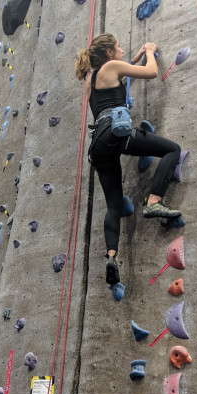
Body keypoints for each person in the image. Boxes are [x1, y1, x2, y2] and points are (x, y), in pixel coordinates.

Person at [75, 34, 182, 285]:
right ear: (110, 54)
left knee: (114, 206)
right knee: (172, 150)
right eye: (119, 47)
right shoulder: (112, 66)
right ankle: (154, 200)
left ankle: (111, 257)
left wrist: (133, 58)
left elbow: (120, 77)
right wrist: (150, 52)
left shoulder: (92, 80)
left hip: (99, 147)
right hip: (116, 134)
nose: (122, 50)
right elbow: (150, 72)